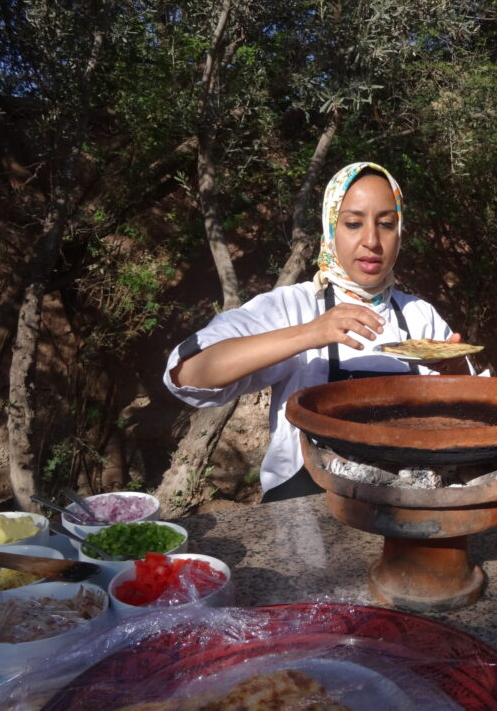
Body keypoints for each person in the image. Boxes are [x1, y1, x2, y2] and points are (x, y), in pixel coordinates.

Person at [163, 162, 475, 503]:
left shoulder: (419, 315)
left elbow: (469, 418)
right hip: (307, 505)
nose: (371, 240)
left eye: (386, 224)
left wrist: (456, 373)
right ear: (330, 228)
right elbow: (188, 373)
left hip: (406, 504)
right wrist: (311, 333)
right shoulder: (292, 306)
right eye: (353, 223)